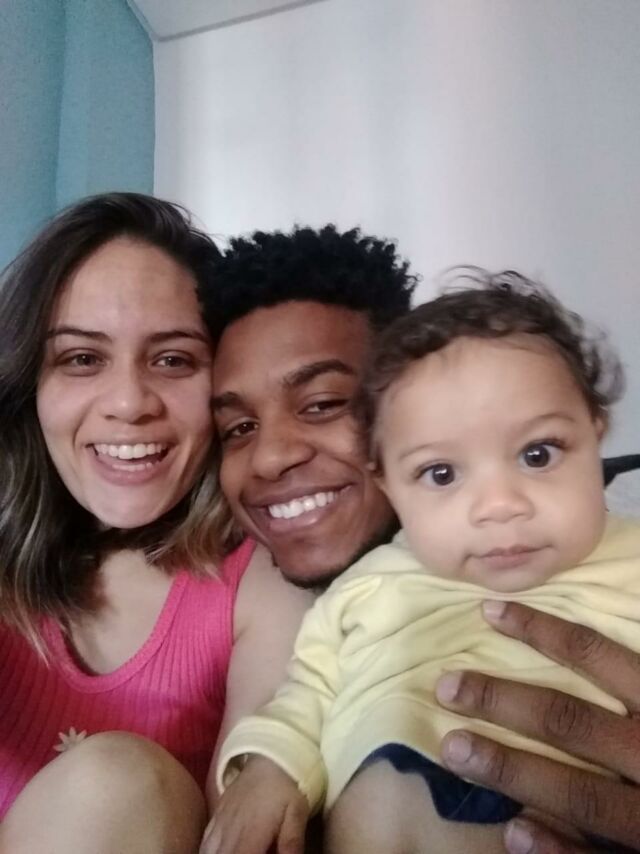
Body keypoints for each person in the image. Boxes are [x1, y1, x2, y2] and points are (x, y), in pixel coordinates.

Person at [201, 246, 640, 853]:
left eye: (538, 454)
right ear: (387, 472)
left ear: (595, 432)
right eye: (442, 473)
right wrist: (273, 765)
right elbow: (309, 693)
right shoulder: (369, 587)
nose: (497, 504)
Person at [0, 193, 312, 854]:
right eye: (81, 359)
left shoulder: (261, 581)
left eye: (172, 360)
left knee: (118, 783)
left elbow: (252, 820)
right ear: (30, 385)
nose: (129, 403)